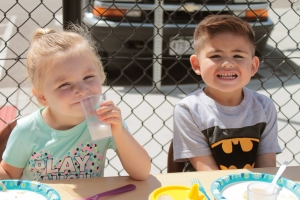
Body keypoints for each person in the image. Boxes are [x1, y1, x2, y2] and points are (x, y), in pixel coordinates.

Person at [0, 24, 151, 181]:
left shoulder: (103, 121)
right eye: (65, 84)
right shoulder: (27, 131)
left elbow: (142, 173)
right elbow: (9, 175)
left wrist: (119, 132)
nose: (82, 89)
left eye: (88, 77)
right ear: (42, 97)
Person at [173, 15, 281, 171]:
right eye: (215, 56)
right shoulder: (188, 110)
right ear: (196, 64)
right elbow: (208, 173)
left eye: (238, 56)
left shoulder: (265, 107)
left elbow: (267, 166)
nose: (228, 64)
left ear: (253, 66)